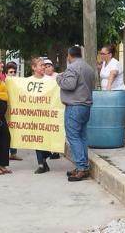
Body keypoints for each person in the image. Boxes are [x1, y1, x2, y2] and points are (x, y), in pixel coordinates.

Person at [56, 46, 95, 182]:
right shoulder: (89, 68)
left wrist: (59, 78)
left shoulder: (72, 67)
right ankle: (82, 165)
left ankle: (81, 167)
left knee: (73, 136)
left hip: (75, 106)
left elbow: (69, 84)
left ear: (69, 55)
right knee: (82, 136)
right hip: (85, 106)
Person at [29, 57, 53, 174]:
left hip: (47, 115)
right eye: (41, 65)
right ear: (34, 68)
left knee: (48, 141)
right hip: (35, 115)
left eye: (44, 65)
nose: (43, 67)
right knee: (37, 140)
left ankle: (44, 159)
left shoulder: (50, 80)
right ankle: (41, 164)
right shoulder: (28, 81)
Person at [41, 57, 61, 159]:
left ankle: (56, 152)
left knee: (55, 130)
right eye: (46, 67)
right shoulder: (42, 78)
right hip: (46, 107)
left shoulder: (57, 76)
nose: (48, 68)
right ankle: (48, 150)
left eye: (49, 66)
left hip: (56, 107)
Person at [4, 62, 23, 161]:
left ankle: (13, 153)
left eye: (14, 72)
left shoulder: (17, 83)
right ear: (6, 73)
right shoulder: (3, 82)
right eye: (11, 71)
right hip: (5, 109)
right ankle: (4, 153)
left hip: (15, 111)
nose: (13, 73)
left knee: (14, 131)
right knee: (5, 132)